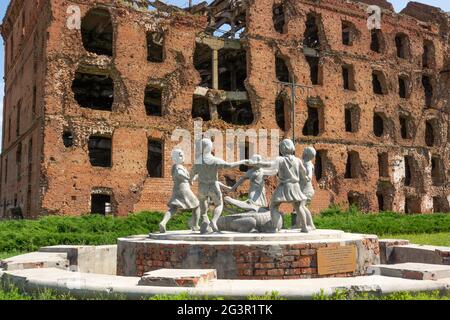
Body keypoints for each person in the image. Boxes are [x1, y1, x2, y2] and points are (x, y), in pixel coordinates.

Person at [191, 138, 249, 233]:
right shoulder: (214, 160)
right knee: (219, 204)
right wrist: (242, 161)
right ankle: (213, 221)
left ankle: (205, 219)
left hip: (202, 186)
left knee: (202, 202)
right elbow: (229, 165)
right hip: (213, 185)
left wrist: (190, 180)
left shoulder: (198, 161)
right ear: (210, 147)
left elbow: (192, 173)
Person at [252, 139, 310, 233]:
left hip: (284, 186)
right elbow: (303, 173)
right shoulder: (298, 160)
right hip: (295, 186)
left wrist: (258, 164)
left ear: (283, 148)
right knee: (298, 207)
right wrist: (306, 178)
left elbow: (270, 165)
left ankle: (275, 227)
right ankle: (304, 227)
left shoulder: (280, 159)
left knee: (273, 206)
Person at [158, 149, 201, 233]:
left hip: (177, 189)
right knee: (197, 205)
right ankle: (195, 225)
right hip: (184, 190)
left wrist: (196, 176)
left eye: (182, 155)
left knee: (173, 208)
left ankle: (163, 222)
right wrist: (188, 178)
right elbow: (179, 173)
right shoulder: (178, 166)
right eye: (180, 155)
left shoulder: (177, 166)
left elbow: (189, 180)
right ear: (175, 157)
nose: (182, 157)